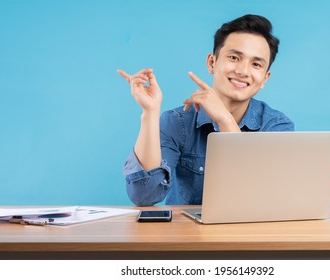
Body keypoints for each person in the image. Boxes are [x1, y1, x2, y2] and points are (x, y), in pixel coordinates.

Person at [118, 14, 294, 206]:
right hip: (186, 235)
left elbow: (262, 198)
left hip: (249, 235)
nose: (243, 71)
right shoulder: (177, 121)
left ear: (265, 78)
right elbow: (144, 196)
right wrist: (150, 112)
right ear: (212, 62)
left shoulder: (276, 126)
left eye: (256, 64)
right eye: (234, 57)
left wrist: (224, 120)